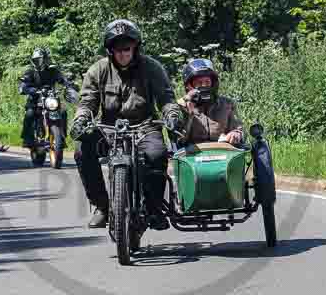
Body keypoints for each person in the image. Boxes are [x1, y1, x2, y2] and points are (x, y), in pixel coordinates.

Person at [69, 19, 184, 229]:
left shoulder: (152, 67)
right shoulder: (98, 70)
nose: (122, 53)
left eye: (127, 48)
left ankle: (154, 208)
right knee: (82, 149)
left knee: (157, 155)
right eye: (117, 49)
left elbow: (167, 99)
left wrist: (172, 115)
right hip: (109, 129)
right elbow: (87, 102)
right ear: (109, 50)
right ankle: (102, 207)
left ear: (135, 48)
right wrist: (81, 119)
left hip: (145, 127)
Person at [19, 47, 78, 148]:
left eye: (40, 59)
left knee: (63, 112)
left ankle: (62, 137)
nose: (38, 62)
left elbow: (62, 79)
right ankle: (27, 138)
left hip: (51, 99)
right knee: (30, 114)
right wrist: (28, 88)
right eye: (35, 60)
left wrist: (69, 85)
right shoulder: (30, 72)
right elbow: (24, 84)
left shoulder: (52, 70)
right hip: (35, 100)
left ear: (45, 59)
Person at [177, 58, 243, 145]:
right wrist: (188, 113)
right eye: (199, 83)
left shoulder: (227, 104)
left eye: (207, 82)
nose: (204, 85)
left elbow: (239, 129)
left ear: (213, 83)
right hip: (193, 154)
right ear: (189, 86)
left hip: (224, 151)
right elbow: (179, 140)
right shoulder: (180, 105)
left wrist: (236, 134)